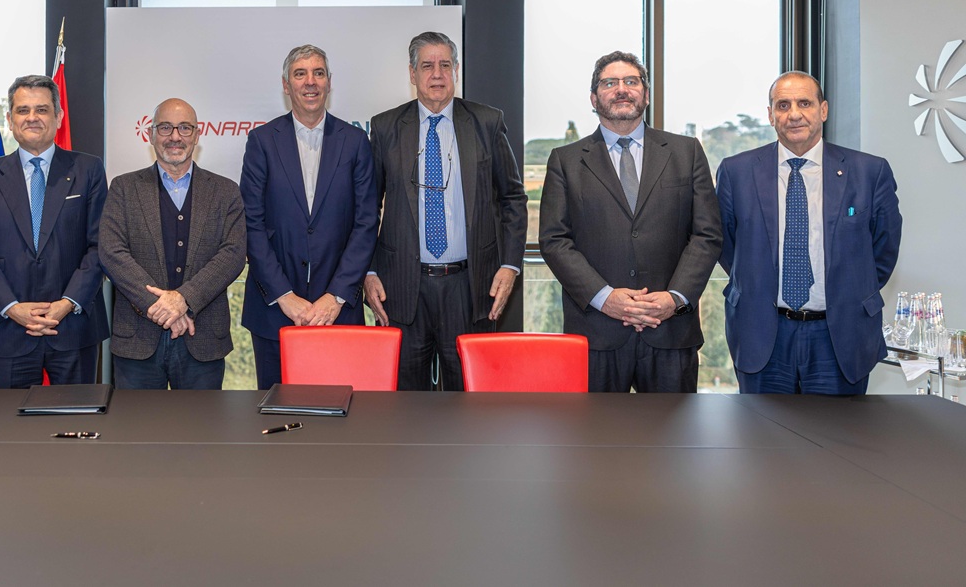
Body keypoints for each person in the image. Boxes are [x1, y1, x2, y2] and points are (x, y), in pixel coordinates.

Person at [539, 51, 721, 393]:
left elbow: (707, 235)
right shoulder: (565, 161)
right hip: (596, 332)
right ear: (594, 99)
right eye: (610, 83)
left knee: (675, 429)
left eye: (631, 81)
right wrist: (604, 297)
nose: (621, 89)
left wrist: (674, 298)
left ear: (646, 94)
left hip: (670, 331)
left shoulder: (687, 152)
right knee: (596, 429)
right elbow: (554, 240)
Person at [716, 71, 902, 394]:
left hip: (840, 335)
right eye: (783, 105)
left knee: (836, 429)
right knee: (763, 428)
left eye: (805, 103)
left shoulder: (870, 172)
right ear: (770, 115)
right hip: (762, 332)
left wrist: (849, 289)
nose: (794, 114)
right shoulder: (736, 172)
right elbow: (725, 245)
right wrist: (759, 282)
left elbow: (884, 249)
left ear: (823, 110)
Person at [364, 31, 527, 391]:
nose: (437, 74)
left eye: (445, 65)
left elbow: (513, 198)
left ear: (456, 70)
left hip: (470, 287)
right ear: (412, 74)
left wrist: (510, 265)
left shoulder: (486, 122)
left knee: (469, 400)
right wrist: (369, 271)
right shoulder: (386, 127)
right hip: (402, 288)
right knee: (405, 403)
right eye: (427, 66)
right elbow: (367, 208)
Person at [240, 45, 378, 389]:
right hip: (275, 313)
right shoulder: (261, 142)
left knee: (341, 412)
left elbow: (366, 223)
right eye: (300, 74)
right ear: (286, 85)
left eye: (318, 73)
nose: (310, 82)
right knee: (278, 411)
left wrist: (335, 296)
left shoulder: (355, 142)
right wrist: (285, 296)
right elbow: (251, 224)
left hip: (339, 311)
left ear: (329, 82)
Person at [0, 75, 108, 388]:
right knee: (10, 419)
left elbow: (100, 246)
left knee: (75, 417)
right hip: (8, 329)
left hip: (73, 327)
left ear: (58, 117)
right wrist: (12, 308)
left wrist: (66, 303)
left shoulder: (88, 170)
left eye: (42, 110)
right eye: (23, 110)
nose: (32, 117)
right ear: (9, 119)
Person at [99, 98, 247, 389]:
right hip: (137, 339)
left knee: (200, 421)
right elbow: (111, 252)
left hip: (203, 338)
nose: (175, 136)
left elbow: (233, 255)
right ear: (151, 134)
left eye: (184, 128)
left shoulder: (225, 192)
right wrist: (161, 306)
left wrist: (183, 300)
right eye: (165, 128)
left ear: (197, 134)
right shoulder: (123, 188)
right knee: (136, 421)